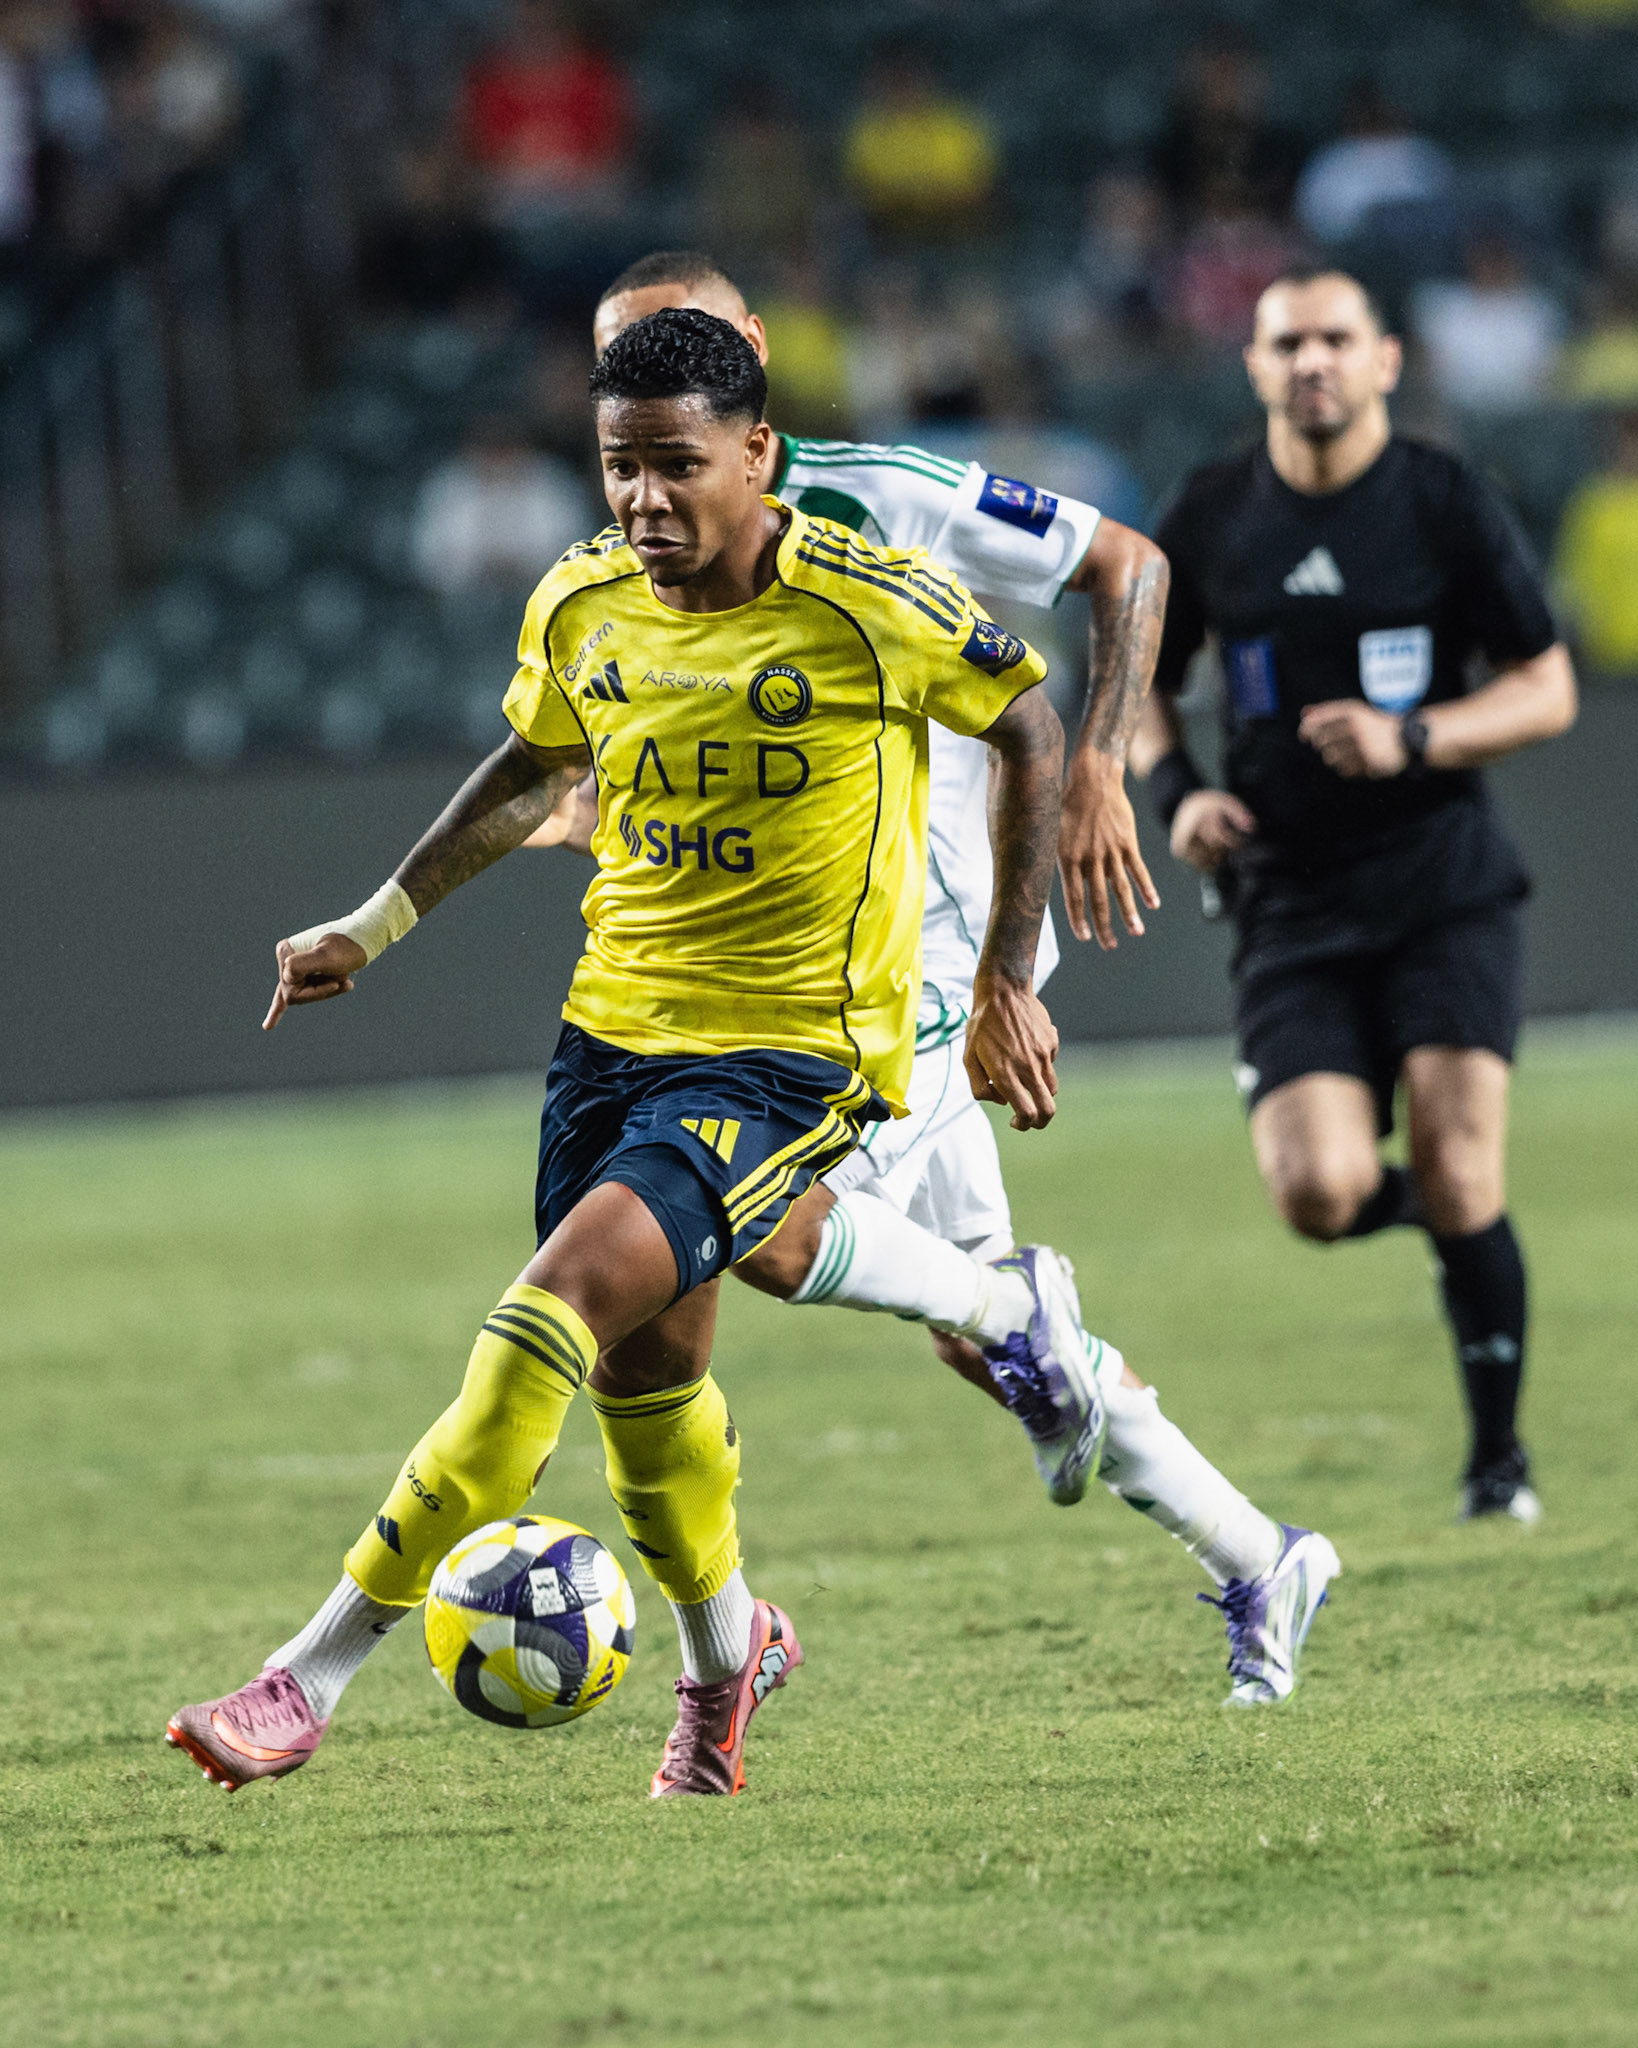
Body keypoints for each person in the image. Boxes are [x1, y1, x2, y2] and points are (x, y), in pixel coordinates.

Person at [166, 307, 1073, 1800]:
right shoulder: (584, 601)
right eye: (616, 469)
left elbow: (1028, 727)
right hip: (609, 1040)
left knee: (555, 1306)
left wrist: (1000, 984)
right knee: (647, 1398)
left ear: (757, 454)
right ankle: (729, 1661)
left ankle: (303, 1679)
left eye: (676, 468)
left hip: (784, 1059)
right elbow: (530, 765)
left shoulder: (869, 601)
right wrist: (376, 921)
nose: (645, 503)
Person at [533, 251, 1340, 1705]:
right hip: (784, 963)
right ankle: (1256, 1553)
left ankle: (996, 1369)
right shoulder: (645, 560)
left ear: (753, 366)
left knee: (764, 1218)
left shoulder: (881, 493)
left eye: (686, 355)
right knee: (988, 1334)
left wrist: (1098, 760)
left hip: (920, 947)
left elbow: (1130, 564)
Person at [1130, 268, 1578, 1521]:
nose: (1312, 359)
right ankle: (1451, 1218)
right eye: (1288, 342)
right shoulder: (1211, 512)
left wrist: (1416, 737)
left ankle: (1500, 1460)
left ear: (1385, 359)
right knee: (1317, 1195)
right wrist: (1178, 797)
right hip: (1289, 902)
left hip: (1443, 885)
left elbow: (1547, 686)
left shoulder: (1442, 498)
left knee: (1460, 1160)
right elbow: (1139, 690)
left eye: (1336, 338)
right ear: (1257, 367)